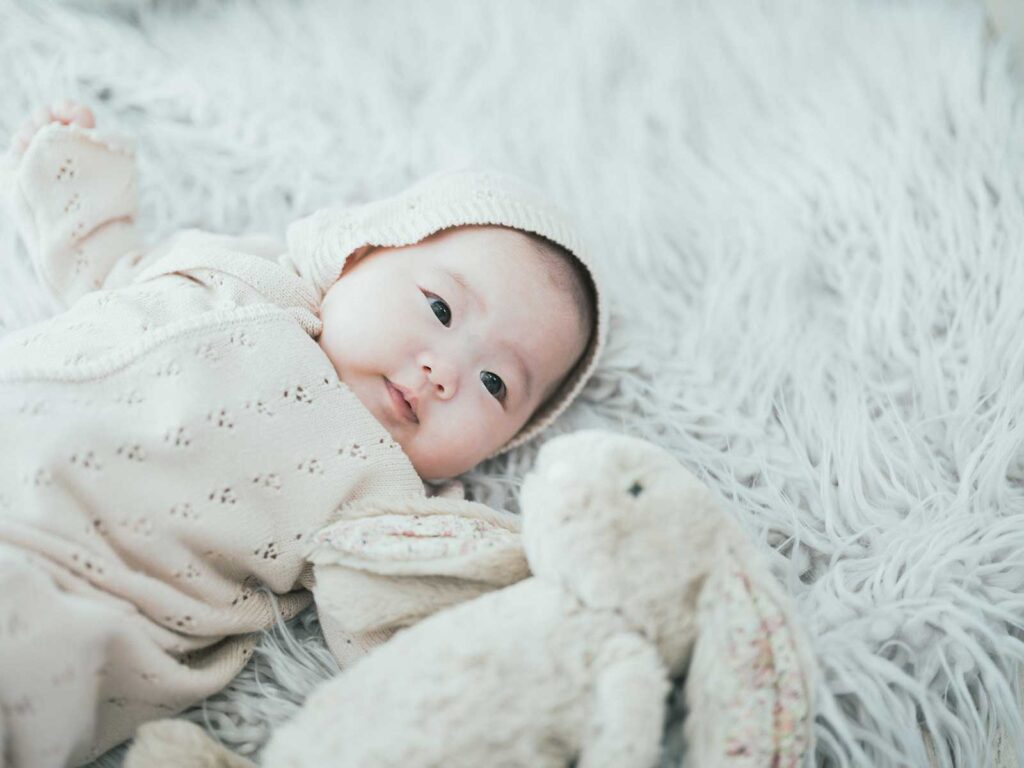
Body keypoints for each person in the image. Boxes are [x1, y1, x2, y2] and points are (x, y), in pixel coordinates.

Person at [0, 101, 609, 767]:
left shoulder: (383, 498)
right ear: (359, 254)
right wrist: (74, 182)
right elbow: (109, 275)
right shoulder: (238, 270)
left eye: (495, 384)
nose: (444, 372)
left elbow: (393, 635)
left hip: (71, 598)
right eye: (439, 308)